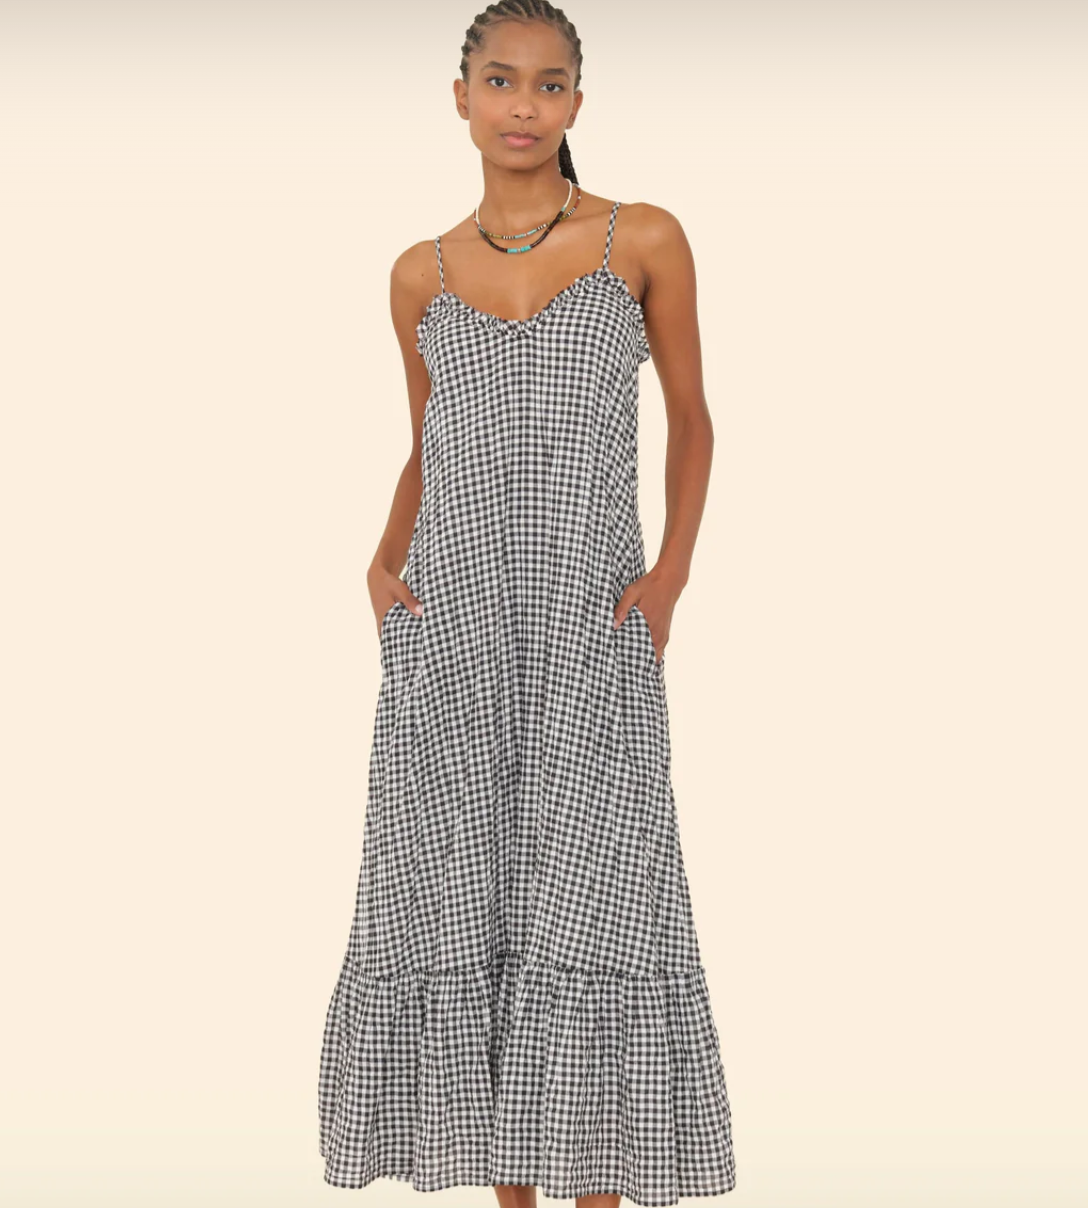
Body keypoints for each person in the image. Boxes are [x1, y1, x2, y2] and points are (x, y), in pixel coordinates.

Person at [318, 5, 736, 1206]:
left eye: (548, 84)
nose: (522, 104)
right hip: (450, 631)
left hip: (589, 626)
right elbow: (426, 444)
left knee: (594, 902)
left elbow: (692, 420)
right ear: (459, 96)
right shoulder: (420, 273)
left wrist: (669, 576)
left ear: (575, 105)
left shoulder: (638, 238)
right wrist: (380, 563)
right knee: (467, 899)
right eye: (499, 80)